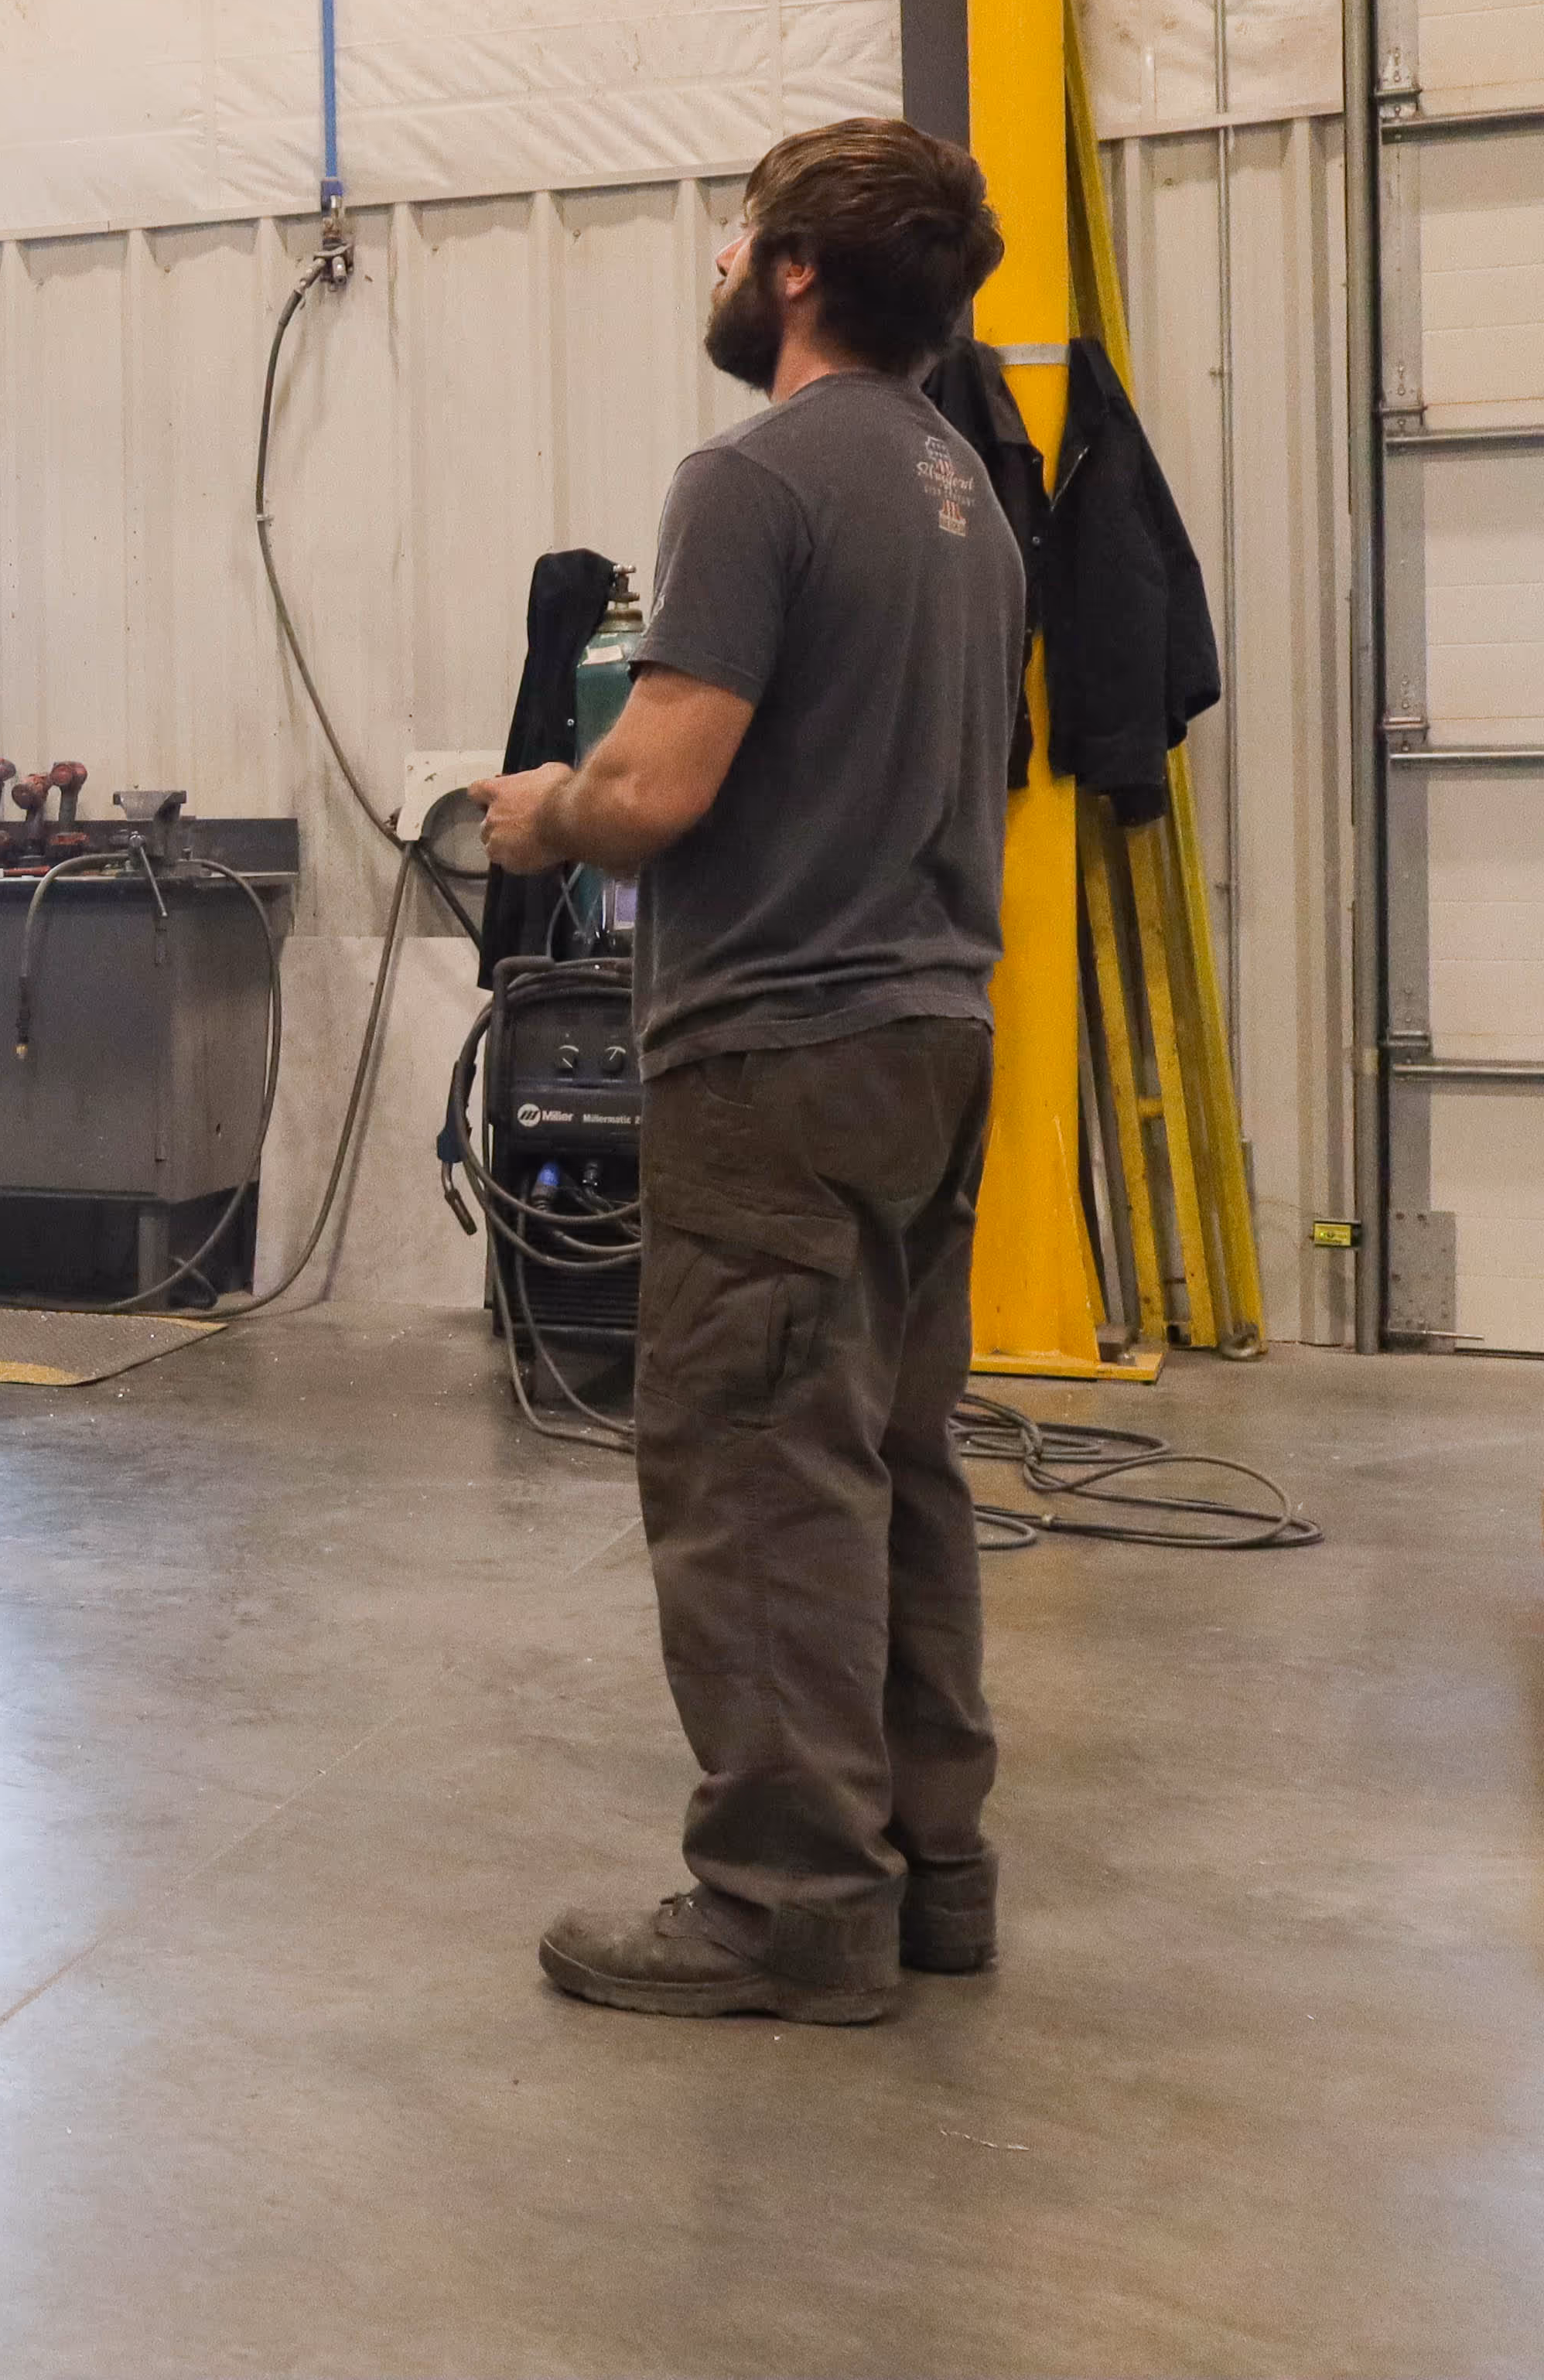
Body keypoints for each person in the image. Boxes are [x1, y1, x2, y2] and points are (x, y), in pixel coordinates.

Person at [475, 116, 1028, 2027]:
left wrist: (539, 807)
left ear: (794, 268)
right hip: (937, 1036)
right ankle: (933, 1867)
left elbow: (658, 788)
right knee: (892, 1452)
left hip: (779, 1050)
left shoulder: (757, 474)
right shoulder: (962, 484)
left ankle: (791, 1899)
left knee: (755, 1468)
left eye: (734, 240)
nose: (718, 266)